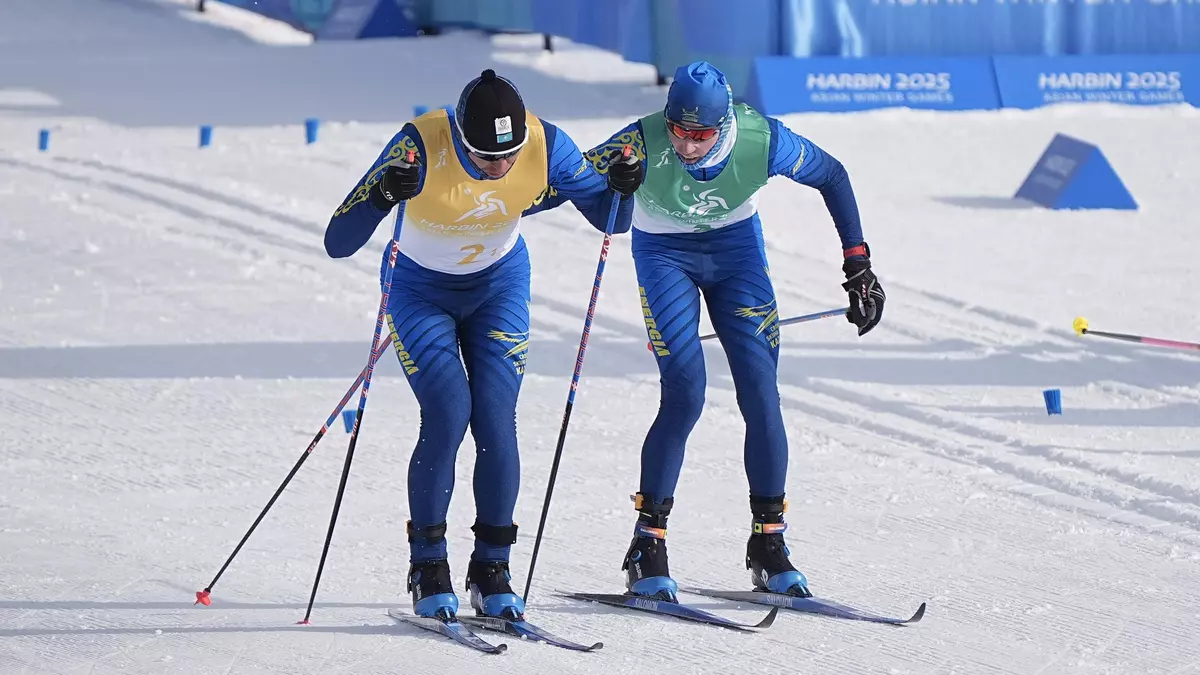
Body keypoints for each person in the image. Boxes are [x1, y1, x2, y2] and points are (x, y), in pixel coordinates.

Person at [323, 68, 643, 621]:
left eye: (509, 155)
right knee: (449, 412)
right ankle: (428, 565)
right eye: (484, 157)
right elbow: (338, 241)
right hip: (419, 290)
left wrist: (624, 185)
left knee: (496, 419)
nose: (499, 167)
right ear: (460, 137)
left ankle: (492, 567)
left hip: (498, 285)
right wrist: (383, 194)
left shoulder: (547, 143)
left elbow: (611, 220)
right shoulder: (419, 143)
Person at [584, 61, 885, 601]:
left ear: (722, 126)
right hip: (665, 255)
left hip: (735, 252)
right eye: (678, 130)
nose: (686, 145)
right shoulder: (639, 141)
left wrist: (857, 264)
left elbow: (833, 175)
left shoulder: (762, 139)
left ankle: (769, 544)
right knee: (685, 393)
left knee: (761, 393)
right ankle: (647, 544)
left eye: (700, 135)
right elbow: (582, 192)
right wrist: (616, 191)